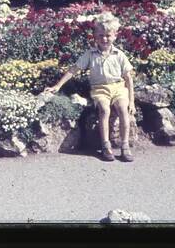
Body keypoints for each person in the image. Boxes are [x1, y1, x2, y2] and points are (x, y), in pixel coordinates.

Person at [48, 12, 136, 162]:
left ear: (115, 35)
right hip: (100, 89)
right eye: (101, 35)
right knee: (104, 109)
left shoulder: (119, 55)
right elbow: (74, 69)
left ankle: (124, 145)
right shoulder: (90, 54)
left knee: (123, 109)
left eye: (108, 35)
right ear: (95, 35)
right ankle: (105, 145)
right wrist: (57, 86)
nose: (104, 39)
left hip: (118, 88)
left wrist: (132, 101)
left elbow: (128, 78)